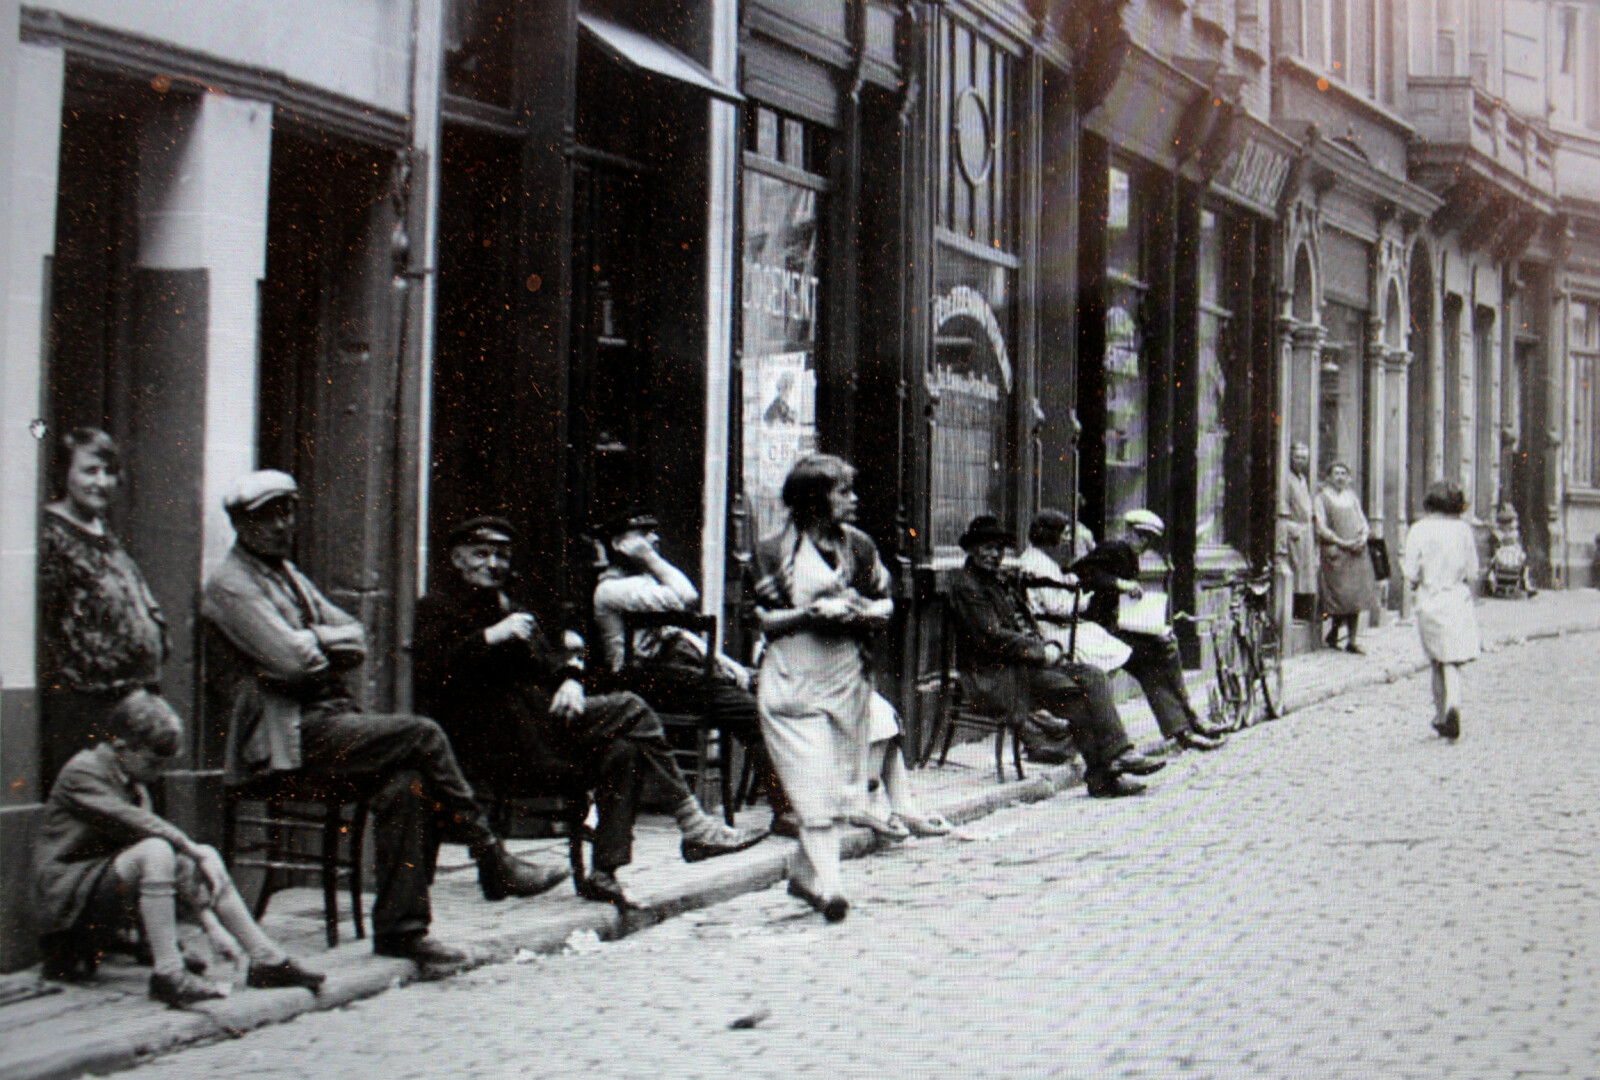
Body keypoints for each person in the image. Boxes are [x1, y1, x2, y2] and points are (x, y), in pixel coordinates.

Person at [201, 472, 569, 969]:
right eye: (269, 515)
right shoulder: (231, 585)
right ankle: (491, 856)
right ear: (242, 523)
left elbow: (355, 636)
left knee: (408, 782)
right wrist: (314, 641)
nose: (283, 523)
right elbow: (293, 662)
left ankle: (401, 930)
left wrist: (310, 637)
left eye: (288, 511)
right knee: (421, 732)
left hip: (326, 721)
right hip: (281, 736)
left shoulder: (286, 575)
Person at [414, 516, 769, 907]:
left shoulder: (508, 605)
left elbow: (550, 659)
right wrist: (488, 637)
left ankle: (606, 872)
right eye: (481, 554)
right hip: (490, 744)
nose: (493, 564)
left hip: (541, 731)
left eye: (500, 555)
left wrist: (570, 679)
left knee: (626, 751)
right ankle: (692, 823)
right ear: (456, 558)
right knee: (631, 706)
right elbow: (430, 674)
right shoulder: (437, 607)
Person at [34, 690, 324, 1007]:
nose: (159, 773)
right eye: (153, 762)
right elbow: (136, 823)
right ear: (121, 747)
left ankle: (265, 959)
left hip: (100, 893)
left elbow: (171, 860)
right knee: (158, 849)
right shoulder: (83, 771)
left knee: (199, 855)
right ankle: (169, 975)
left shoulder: (132, 783)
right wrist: (190, 848)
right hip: (67, 905)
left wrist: (212, 927)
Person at [591, 510, 795, 835]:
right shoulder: (613, 589)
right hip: (645, 678)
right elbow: (685, 597)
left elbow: (679, 633)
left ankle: (789, 804)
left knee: (764, 699)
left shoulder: (642, 583)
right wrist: (653, 560)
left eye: (653, 533)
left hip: (673, 673)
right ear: (619, 544)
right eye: (643, 535)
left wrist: (721, 661)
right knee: (752, 715)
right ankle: (785, 811)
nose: (654, 540)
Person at [750, 454, 891, 922]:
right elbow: (764, 619)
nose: (853, 500)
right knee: (811, 789)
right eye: (843, 491)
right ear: (814, 497)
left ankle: (805, 877)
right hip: (792, 681)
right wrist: (810, 614)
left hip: (846, 682)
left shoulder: (860, 547)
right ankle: (832, 888)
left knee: (835, 790)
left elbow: (884, 600)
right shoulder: (773, 551)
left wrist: (866, 611)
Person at [949, 514, 1166, 798]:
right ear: (972, 549)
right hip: (993, 675)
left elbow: (1023, 626)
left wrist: (1048, 647)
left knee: (1093, 674)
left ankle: (1120, 754)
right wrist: (1041, 652)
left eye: (999, 549)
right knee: (1075, 695)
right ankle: (1102, 776)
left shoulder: (997, 581)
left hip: (1022, 665)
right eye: (987, 548)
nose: (995, 555)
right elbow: (992, 639)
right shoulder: (968, 587)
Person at [38, 428, 168, 788]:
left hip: (132, 702)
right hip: (87, 706)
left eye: (109, 472)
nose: (102, 482)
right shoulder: (51, 535)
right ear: (65, 473)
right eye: (90, 471)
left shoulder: (102, 531)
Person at [1072, 511, 1227, 751]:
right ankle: (1188, 724)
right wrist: (1119, 583)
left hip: (1117, 627)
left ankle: (1185, 727)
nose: (1144, 544)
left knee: (1159, 659)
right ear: (1128, 532)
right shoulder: (1113, 549)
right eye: (1141, 537)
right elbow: (1080, 573)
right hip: (1098, 630)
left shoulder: (1130, 556)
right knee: (1162, 653)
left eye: (1149, 540)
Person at [1401, 481, 1481, 739]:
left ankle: (1440, 714)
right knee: (1453, 660)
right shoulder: (1463, 530)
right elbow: (1473, 571)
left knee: (1437, 660)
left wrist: (1415, 580)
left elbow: (1411, 571)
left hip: (1430, 599)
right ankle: (1454, 705)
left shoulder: (1419, 529)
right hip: (1457, 597)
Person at [1012, 509, 1133, 677]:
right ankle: (1091, 692)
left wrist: (1065, 580)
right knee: (1109, 648)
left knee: (1098, 634)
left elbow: (1049, 591)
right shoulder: (1041, 565)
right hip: (1048, 630)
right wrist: (1083, 600)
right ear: (1051, 534)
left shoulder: (1032, 557)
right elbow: (1057, 607)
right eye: (1065, 533)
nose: (1068, 539)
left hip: (1047, 624)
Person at [1314, 461, 1376, 653]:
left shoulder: (1351, 497)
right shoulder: (1322, 497)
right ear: (1329, 476)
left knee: (1355, 597)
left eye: (1344, 474)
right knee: (1340, 597)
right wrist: (1341, 542)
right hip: (1336, 552)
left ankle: (1352, 639)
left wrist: (1363, 536)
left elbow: (1362, 520)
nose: (1340, 477)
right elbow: (1321, 527)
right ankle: (1333, 631)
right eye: (1337, 473)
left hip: (1356, 552)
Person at [1278, 441, 1318, 623]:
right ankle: (1294, 610)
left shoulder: (1302, 479)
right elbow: (1284, 504)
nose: (1300, 461)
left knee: (1306, 573)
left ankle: (1304, 610)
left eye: (1304, 458)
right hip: (1295, 530)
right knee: (1296, 569)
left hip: (1306, 531)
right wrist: (1290, 528)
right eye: (1297, 457)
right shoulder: (1286, 478)